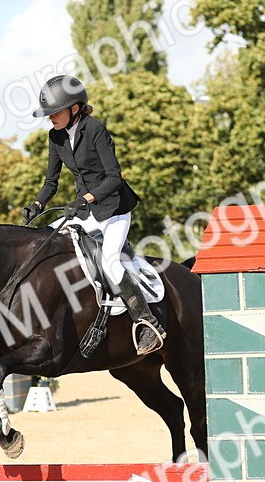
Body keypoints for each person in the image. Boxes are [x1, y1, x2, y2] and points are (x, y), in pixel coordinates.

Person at [21, 74, 166, 356]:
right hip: (86, 210)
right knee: (44, 242)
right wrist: (36, 205)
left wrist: (84, 198)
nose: (50, 118)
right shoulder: (56, 136)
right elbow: (51, 182)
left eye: (54, 112)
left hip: (114, 209)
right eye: (48, 114)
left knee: (111, 263)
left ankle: (147, 322)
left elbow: (114, 178)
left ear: (74, 108)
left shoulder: (95, 129)